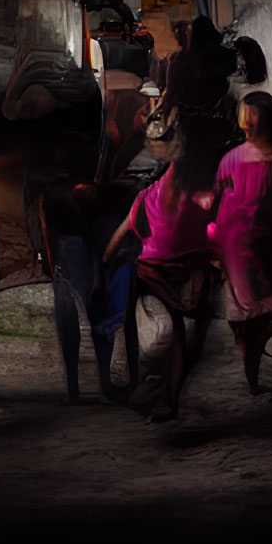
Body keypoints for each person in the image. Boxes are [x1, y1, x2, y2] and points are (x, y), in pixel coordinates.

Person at [106, 127, 221, 422]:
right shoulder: (196, 197)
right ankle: (168, 397)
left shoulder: (148, 197)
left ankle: (161, 392)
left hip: (154, 275)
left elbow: (113, 246)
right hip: (178, 277)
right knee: (186, 336)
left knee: (177, 334)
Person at [213, 90, 272, 402]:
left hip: (268, 242)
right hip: (238, 244)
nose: (246, 125)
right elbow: (219, 198)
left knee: (264, 312)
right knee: (247, 313)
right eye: (244, 118)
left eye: (252, 119)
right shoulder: (232, 158)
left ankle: (257, 367)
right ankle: (253, 374)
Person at [34, 173, 136, 404]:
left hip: (79, 245)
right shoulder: (60, 198)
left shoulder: (54, 196)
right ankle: (97, 385)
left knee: (83, 314)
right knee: (91, 315)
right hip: (79, 245)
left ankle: (82, 387)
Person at [163, 15, 239, 158]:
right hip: (218, 120)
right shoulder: (224, 55)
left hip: (189, 122)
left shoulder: (180, 59)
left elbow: (172, 90)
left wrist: (168, 110)